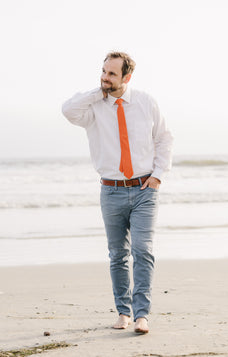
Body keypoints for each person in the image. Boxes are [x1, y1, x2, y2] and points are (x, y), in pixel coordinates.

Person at [62, 51, 173, 334]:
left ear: (127, 77)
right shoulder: (93, 108)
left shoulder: (146, 102)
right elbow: (68, 110)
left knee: (142, 250)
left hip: (144, 189)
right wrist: (99, 91)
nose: (105, 77)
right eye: (103, 71)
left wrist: (158, 176)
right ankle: (123, 313)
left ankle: (141, 315)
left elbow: (164, 138)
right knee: (117, 254)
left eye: (112, 74)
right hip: (111, 191)